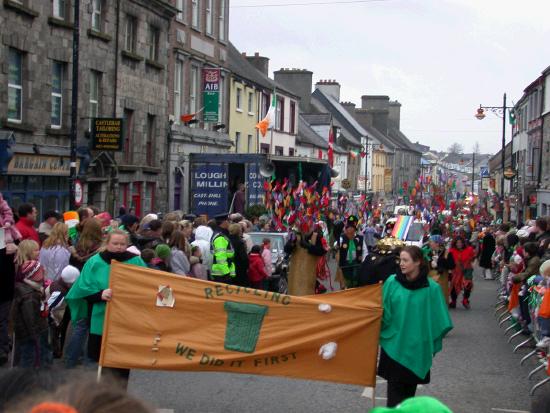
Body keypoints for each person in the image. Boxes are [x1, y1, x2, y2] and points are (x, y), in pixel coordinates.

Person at [66, 230, 146, 384]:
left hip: (126, 321)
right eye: (115, 243)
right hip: (100, 318)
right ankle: (103, 396)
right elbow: (83, 287)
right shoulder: (95, 261)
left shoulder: (135, 261)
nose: (119, 247)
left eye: (122, 244)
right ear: (107, 243)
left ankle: (119, 395)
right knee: (101, 362)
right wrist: (100, 294)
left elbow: (145, 284)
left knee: (122, 362)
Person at [378, 245, 453, 407]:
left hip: (416, 349)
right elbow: (382, 311)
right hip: (394, 347)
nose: (401, 264)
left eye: (405, 260)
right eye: (400, 260)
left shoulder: (431, 289)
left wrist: (429, 340)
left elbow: (439, 319)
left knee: (409, 398)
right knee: (395, 398)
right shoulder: (392, 282)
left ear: (418, 262)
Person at [12, 240, 52, 368]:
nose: (38, 252)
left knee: (28, 355)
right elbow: (29, 316)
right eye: (35, 250)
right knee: (29, 358)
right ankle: (27, 382)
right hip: (30, 331)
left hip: (29, 329)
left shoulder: (30, 285)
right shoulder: (29, 293)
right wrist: (35, 334)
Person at [0, 193, 19, 366]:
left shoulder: (10, 238)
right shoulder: (11, 239)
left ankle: (3, 349)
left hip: (5, 290)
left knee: (3, 320)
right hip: (6, 289)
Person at [46, 265, 80, 359]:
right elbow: (50, 308)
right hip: (54, 319)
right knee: (54, 335)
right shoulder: (60, 292)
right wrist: (56, 322)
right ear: (70, 282)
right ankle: (55, 353)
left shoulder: (60, 284)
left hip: (58, 316)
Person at [422, 235, 455, 303]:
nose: (430, 243)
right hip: (430, 277)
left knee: (441, 297)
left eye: (431, 242)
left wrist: (440, 260)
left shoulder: (446, 253)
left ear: (437, 243)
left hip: (442, 278)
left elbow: (452, 265)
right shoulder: (427, 252)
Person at [448, 237, 476, 309]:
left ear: (463, 243)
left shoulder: (469, 249)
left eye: (460, 242)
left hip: (467, 269)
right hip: (456, 271)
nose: (459, 244)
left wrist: (471, 262)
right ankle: (453, 301)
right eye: (457, 243)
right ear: (455, 243)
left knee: (468, 284)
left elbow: (473, 258)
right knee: (454, 285)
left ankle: (465, 300)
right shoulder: (451, 251)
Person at [210, 213, 236, 284]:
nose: (230, 223)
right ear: (224, 222)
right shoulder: (220, 237)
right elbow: (221, 258)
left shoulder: (222, 234)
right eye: (229, 221)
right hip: (222, 275)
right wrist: (226, 274)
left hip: (222, 273)